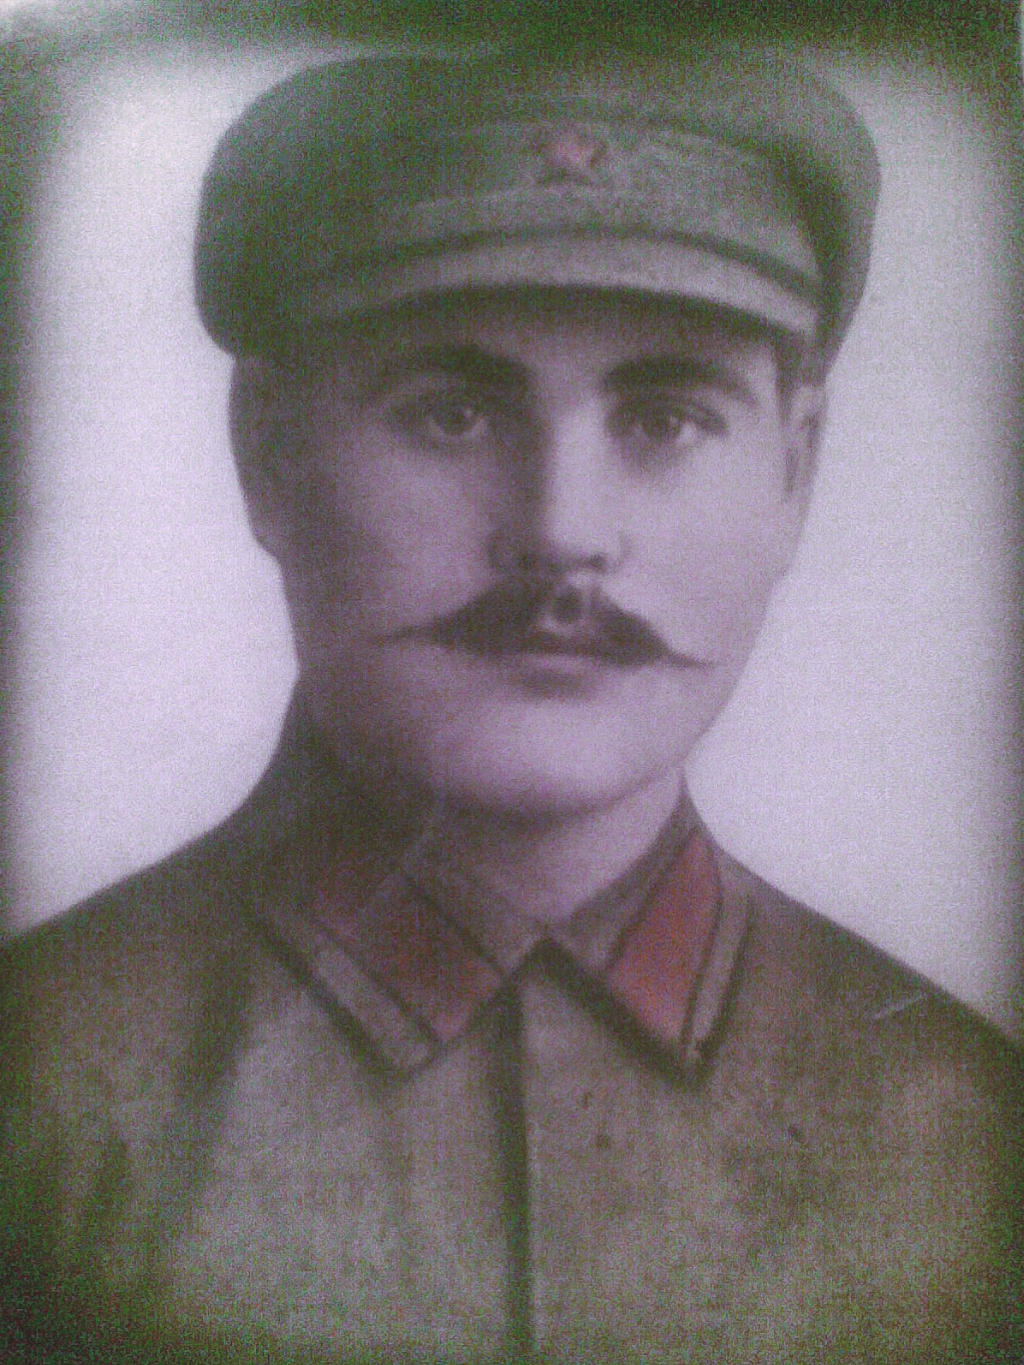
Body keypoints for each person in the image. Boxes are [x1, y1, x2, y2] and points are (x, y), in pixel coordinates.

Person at [2, 43, 1021, 1365]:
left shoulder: (970, 1134)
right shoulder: (37, 1103)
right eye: (449, 414)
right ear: (267, 451)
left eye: (666, 419)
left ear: (796, 467)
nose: (561, 533)